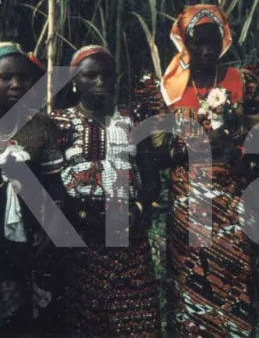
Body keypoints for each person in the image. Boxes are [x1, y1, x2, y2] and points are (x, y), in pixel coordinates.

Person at [156, 4, 259, 337]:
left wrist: (236, 149)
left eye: (212, 42)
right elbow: (156, 151)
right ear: (184, 44)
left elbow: (258, 139)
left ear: (223, 42)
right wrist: (191, 148)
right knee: (191, 274)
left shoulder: (241, 80)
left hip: (231, 194)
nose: (205, 50)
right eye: (197, 42)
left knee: (233, 270)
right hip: (187, 200)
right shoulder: (169, 87)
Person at [51, 45, 161, 337]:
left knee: (138, 322)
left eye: (106, 75)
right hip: (80, 233)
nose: (99, 82)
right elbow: (24, 158)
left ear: (115, 79)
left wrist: (136, 211)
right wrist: (84, 215)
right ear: (74, 81)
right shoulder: (57, 121)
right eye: (90, 76)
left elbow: (151, 178)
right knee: (83, 321)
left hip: (128, 233)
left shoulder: (133, 118)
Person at [0, 41, 66, 336]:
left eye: (23, 77)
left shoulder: (40, 126)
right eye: (4, 77)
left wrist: (51, 228)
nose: (15, 84)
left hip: (32, 243)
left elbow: (56, 188)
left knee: (30, 322)